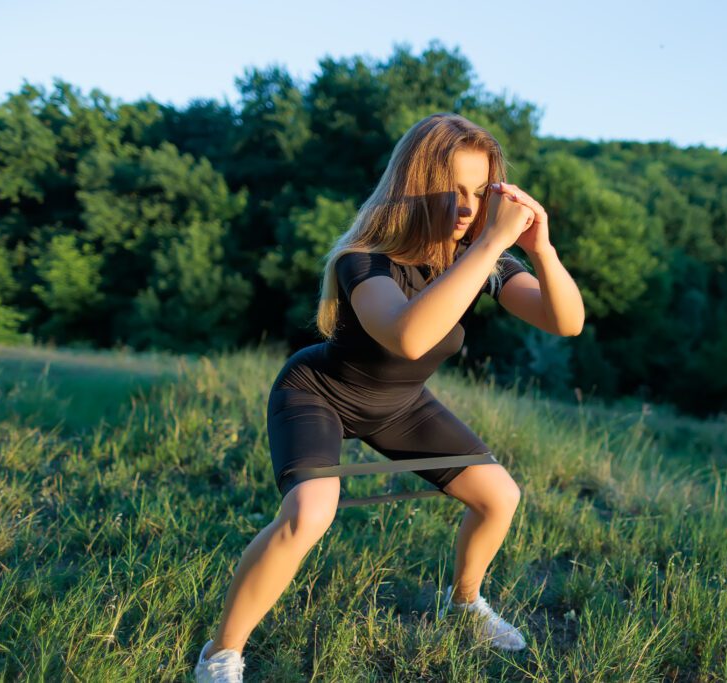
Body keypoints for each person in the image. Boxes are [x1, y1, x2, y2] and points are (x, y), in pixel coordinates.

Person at [196, 112, 584, 681]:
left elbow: (566, 321)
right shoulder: (365, 259)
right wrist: (492, 242)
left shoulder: (481, 258)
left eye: (480, 192)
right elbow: (409, 337)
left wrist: (540, 249)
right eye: (452, 189)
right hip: (320, 393)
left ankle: (464, 605)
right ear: (414, 186)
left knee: (499, 496)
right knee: (311, 512)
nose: (468, 207)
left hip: (399, 405)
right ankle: (221, 654)